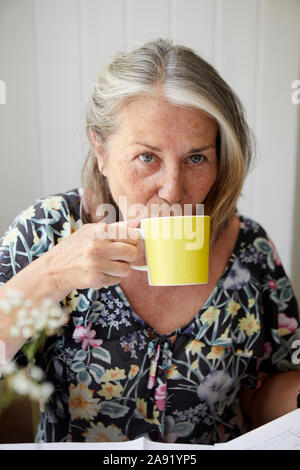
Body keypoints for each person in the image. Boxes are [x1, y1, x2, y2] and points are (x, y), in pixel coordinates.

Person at [0, 38, 299, 445]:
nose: (173, 191)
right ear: (100, 150)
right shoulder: (49, 229)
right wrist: (51, 275)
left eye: (197, 158)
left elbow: (262, 395)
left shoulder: (250, 248)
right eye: (147, 157)